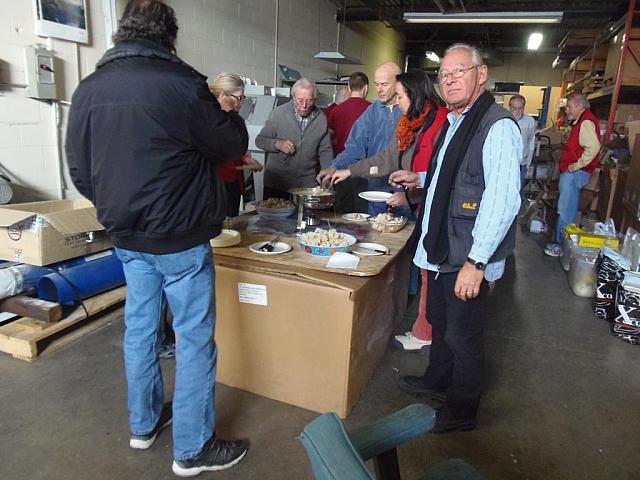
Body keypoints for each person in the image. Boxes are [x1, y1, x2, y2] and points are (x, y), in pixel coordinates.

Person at [65, 0, 250, 476]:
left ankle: (143, 425)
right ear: (169, 37)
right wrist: (232, 112)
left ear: (123, 32)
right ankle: (192, 448)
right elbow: (230, 147)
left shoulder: (88, 90)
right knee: (193, 340)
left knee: (141, 331)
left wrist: (118, 207)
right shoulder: (184, 85)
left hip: (126, 237)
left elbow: (81, 172)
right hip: (180, 238)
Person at [389, 43, 521, 433]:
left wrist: (476, 262)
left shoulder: (496, 125)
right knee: (440, 320)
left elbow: (501, 199)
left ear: (481, 74)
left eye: (459, 71)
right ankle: (437, 380)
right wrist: (421, 180)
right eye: (444, 74)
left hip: (467, 253)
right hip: (447, 247)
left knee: (464, 335)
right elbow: (457, 177)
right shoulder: (455, 121)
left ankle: (463, 410)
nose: (450, 80)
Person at [330, 69, 449, 351]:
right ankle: (422, 328)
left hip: (432, 208)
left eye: (399, 95)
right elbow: (387, 157)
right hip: (417, 200)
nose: (396, 102)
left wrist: (410, 195)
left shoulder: (440, 122)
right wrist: (348, 170)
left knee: (428, 269)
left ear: (414, 94)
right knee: (421, 266)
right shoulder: (411, 124)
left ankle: (426, 333)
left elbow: (441, 173)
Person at [317, 62, 405, 216]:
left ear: (398, 83)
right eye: (376, 84)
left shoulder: (409, 110)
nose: (379, 89)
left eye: (384, 84)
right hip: (377, 188)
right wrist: (333, 168)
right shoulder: (372, 112)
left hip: (404, 189)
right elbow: (353, 149)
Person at [544, 93, 601, 257]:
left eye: (569, 106)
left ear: (579, 106)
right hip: (574, 172)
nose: (567, 110)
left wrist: (575, 166)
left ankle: (561, 248)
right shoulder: (582, 121)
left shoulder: (586, 122)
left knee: (565, 210)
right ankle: (565, 247)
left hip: (574, 173)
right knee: (568, 208)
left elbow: (594, 147)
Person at [255, 78, 333, 199]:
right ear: (293, 97)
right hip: (277, 183)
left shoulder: (321, 118)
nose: (304, 105)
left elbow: (325, 150)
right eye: (300, 100)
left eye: (309, 100)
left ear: (315, 99)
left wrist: (326, 173)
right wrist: (277, 144)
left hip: (306, 185)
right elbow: (260, 140)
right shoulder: (278, 114)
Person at [210, 72, 263, 217]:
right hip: (214, 187)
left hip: (232, 184)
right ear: (221, 95)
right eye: (238, 98)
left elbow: (233, 146)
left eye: (243, 98)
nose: (241, 103)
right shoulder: (208, 120)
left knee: (231, 225)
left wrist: (245, 158)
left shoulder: (233, 120)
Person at [327, 71, 371, 212]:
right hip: (364, 168)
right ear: (366, 88)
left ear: (349, 87)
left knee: (343, 209)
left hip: (340, 167)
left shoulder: (336, 111)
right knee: (362, 211)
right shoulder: (372, 110)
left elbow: (330, 137)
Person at [508, 94, 537, 195]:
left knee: (518, 190)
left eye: (520, 108)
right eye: (514, 108)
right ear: (509, 107)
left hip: (521, 163)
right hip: (505, 162)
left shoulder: (530, 121)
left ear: (524, 107)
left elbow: (531, 142)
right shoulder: (504, 120)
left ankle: (517, 210)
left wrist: (528, 162)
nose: (517, 111)